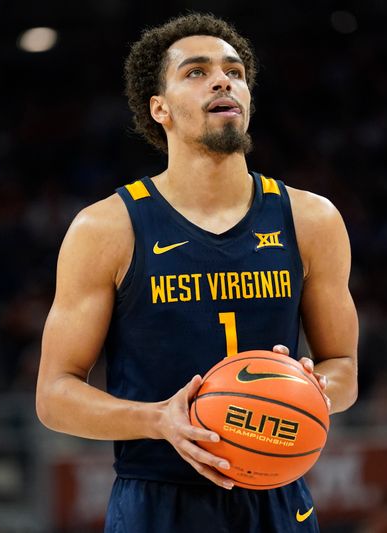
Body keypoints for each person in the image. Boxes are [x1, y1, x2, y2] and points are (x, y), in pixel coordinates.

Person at [36, 13, 359, 532]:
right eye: (196, 71)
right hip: (159, 500)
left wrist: (311, 387)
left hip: (276, 494)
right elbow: (54, 395)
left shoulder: (312, 219)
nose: (222, 80)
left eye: (234, 71)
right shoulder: (106, 228)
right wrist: (159, 420)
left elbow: (343, 365)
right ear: (158, 108)